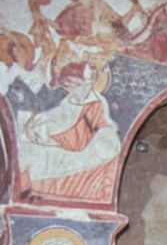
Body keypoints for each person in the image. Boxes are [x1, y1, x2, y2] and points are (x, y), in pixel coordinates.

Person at [18, 61, 122, 202]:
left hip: (82, 148)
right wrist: (41, 119)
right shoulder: (69, 100)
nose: (77, 89)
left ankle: (32, 191)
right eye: (71, 85)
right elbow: (57, 115)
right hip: (61, 140)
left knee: (41, 155)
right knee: (27, 148)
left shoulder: (96, 102)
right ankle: (23, 191)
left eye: (81, 85)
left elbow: (103, 126)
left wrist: (104, 139)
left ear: (90, 84)